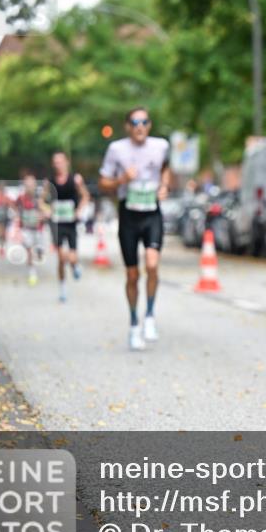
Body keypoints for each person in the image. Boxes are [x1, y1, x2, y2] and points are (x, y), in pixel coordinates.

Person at [98, 107, 171, 351]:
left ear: (149, 125)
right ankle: (133, 324)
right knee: (132, 275)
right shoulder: (116, 149)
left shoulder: (160, 145)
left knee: (152, 265)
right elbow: (103, 182)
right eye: (135, 122)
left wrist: (164, 186)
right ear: (127, 126)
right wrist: (121, 180)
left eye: (144, 122)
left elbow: (165, 169)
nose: (140, 126)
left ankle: (149, 315)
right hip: (128, 215)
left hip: (152, 213)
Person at [44, 151, 90, 303]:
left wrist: (79, 210)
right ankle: (63, 288)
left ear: (66, 162)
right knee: (61, 258)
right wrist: (47, 210)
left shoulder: (75, 180)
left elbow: (85, 196)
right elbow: (41, 201)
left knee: (72, 257)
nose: (58, 164)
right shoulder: (49, 182)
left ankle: (75, 265)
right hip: (57, 223)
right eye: (55, 162)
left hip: (71, 223)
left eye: (60, 161)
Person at [16, 175, 45, 285]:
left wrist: (42, 215)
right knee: (29, 250)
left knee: (39, 252)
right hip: (26, 229)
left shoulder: (39, 198)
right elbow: (15, 208)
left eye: (31, 185)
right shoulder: (20, 198)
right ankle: (32, 273)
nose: (29, 187)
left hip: (38, 229)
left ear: (35, 186)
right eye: (27, 185)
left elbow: (46, 210)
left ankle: (40, 251)